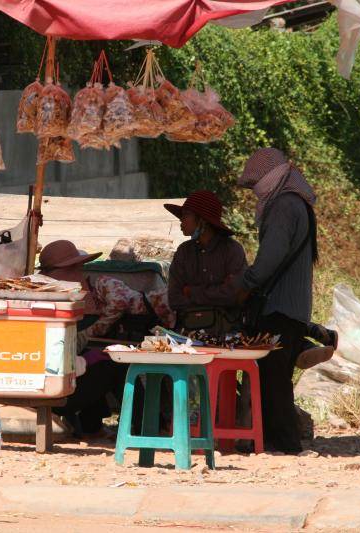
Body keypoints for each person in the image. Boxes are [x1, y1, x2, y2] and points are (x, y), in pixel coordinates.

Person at [38, 239, 173, 437]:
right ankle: (146, 428)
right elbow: (59, 357)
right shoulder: (52, 300)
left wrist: (90, 347)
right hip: (50, 390)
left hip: (53, 383)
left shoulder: (79, 291)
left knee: (103, 363)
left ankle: (94, 426)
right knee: (116, 365)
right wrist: (90, 349)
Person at [235, 147, 319, 454]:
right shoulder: (296, 203)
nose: (255, 194)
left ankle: (286, 443)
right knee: (274, 376)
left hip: (279, 306)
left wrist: (244, 285)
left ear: (268, 178)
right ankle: (272, 438)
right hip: (293, 306)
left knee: (274, 379)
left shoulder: (283, 206)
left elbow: (269, 260)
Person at [164, 190, 247, 334]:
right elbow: (174, 299)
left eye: (186, 215)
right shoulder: (184, 252)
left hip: (226, 332)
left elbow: (232, 295)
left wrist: (191, 291)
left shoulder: (232, 250)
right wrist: (216, 294)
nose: (181, 221)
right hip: (188, 332)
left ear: (203, 221)